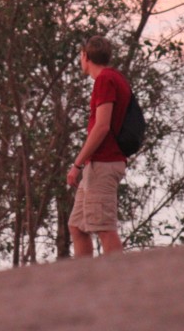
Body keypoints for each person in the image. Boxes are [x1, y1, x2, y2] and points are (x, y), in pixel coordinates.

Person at [67, 35, 130, 257]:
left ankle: (120, 283)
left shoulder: (105, 80)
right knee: (78, 226)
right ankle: (85, 282)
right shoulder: (114, 78)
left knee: (104, 228)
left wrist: (77, 163)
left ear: (85, 56)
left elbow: (102, 127)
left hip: (104, 163)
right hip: (98, 164)